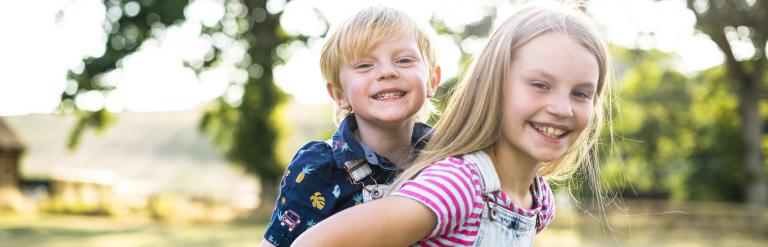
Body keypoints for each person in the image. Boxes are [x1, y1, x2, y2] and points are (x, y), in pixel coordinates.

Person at [294, 1, 612, 246]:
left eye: (581, 93)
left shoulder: (539, 199)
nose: (562, 109)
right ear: (494, 86)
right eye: (540, 85)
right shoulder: (457, 185)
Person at [259, 5, 441, 247]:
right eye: (364, 65)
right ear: (339, 93)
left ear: (432, 80)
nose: (387, 72)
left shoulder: (450, 162)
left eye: (404, 60)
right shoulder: (318, 169)